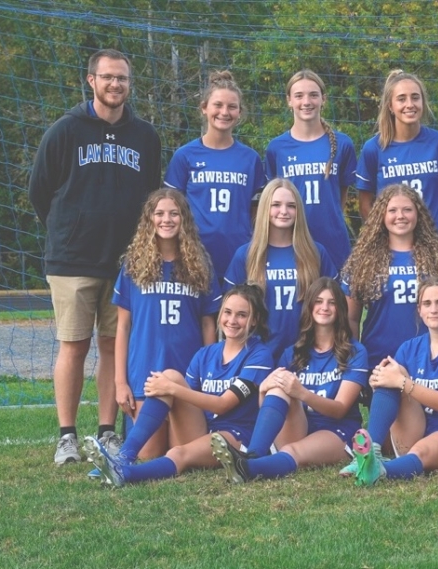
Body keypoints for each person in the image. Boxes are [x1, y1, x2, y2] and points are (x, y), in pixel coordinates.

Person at [28, 48, 162, 464]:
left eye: (122, 78)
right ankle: (67, 436)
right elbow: (39, 191)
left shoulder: (145, 136)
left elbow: (152, 197)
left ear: (129, 84)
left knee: (112, 345)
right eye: (107, 77)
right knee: (73, 346)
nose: (115, 85)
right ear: (91, 81)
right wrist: (72, 230)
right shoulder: (65, 130)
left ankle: (106, 432)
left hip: (126, 262)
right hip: (72, 260)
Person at [84, 284, 274, 487]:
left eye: (242, 315)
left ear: (254, 320)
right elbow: (186, 399)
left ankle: (124, 474)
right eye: (227, 312)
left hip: (234, 436)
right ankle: (124, 456)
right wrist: (164, 391)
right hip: (203, 429)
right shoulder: (206, 353)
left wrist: (172, 389)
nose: (232, 320)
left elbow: (222, 405)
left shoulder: (259, 355)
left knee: (178, 452)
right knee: (171, 376)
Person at [211, 278, 369, 482]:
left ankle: (248, 469)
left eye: (331, 302)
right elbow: (270, 407)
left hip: (336, 428)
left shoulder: (355, 352)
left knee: (293, 450)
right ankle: (252, 455)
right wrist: (262, 391)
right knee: (278, 386)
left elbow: (340, 409)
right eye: (319, 301)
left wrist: (301, 392)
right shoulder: (293, 353)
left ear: (340, 308)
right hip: (301, 424)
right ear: (309, 307)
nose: (325, 307)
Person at [112, 189, 221, 460]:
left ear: (184, 219)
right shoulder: (133, 265)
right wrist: (120, 382)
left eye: (174, 213)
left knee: (182, 452)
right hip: (144, 374)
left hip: (187, 376)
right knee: (149, 455)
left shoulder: (200, 265)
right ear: (149, 219)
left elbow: (209, 326)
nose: (166, 219)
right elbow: (123, 327)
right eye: (159, 213)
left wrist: (209, 376)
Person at [351, 277, 438, 487]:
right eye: (427, 304)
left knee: (420, 450)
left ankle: (378, 470)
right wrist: (379, 378)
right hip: (417, 423)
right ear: (419, 310)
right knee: (390, 371)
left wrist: (402, 382)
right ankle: (373, 449)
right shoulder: (409, 347)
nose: (434, 309)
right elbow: (391, 381)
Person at [340, 184, 438, 392]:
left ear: (418, 214)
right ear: (381, 216)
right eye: (392, 210)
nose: (400, 216)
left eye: (407, 210)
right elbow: (351, 318)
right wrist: (354, 361)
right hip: (381, 356)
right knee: (387, 422)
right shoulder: (364, 259)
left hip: (430, 359)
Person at [164, 70, 265, 281]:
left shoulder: (250, 159)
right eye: (218, 105)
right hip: (193, 255)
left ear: (240, 112)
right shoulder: (185, 156)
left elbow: (257, 214)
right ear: (204, 108)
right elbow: (171, 210)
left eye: (232, 107)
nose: (224, 112)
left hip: (237, 256)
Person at [224, 179, 336, 361]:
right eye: (276, 205)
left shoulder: (315, 252)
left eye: (291, 206)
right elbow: (230, 312)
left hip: (307, 352)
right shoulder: (246, 254)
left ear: (298, 210)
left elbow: (334, 304)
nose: (284, 211)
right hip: (257, 354)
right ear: (264, 208)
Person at [265, 70, 357, 270]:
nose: (306, 101)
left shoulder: (343, 144)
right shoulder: (276, 148)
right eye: (299, 96)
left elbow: (340, 195)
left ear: (323, 99)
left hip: (332, 241)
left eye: (313, 95)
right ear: (289, 100)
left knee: (332, 300)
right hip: (289, 243)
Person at [356, 70, 438, 244]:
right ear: (390, 106)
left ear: (423, 102)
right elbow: (365, 204)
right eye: (401, 99)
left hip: (435, 241)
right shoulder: (374, 148)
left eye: (415, 97)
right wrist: (382, 236)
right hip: (393, 244)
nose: (410, 104)